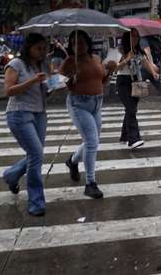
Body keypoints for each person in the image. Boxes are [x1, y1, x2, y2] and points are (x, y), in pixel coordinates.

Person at [60, 30, 115, 199]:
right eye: (74, 43)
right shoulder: (69, 62)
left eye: (81, 41)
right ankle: (90, 183)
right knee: (92, 141)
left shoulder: (96, 59)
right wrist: (70, 78)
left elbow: (102, 81)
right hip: (79, 104)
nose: (78, 45)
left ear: (88, 43)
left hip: (97, 103)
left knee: (93, 141)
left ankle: (72, 161)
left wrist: (111, 71)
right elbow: (56, 85)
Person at [2, 33, 50, 217]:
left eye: (44, 48)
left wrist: (54, 85)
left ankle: (11, 175)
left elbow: (43, 93)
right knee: (36, 153)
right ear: (29, 47)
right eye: (38, 48)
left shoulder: (43, 66)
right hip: (19, 113)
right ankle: (36, 201)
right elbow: (8, 90)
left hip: (40, 113)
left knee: (35, 153)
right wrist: (33, 81)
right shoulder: (16, 65)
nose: (42, 52)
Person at [115, 29, 147, 150]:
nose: (135, 38)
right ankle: (134, 139)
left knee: (131, 109)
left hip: (137, 82)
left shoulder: (138, 51)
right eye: (133, 36)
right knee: (131, 109)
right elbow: (115, 68)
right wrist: (127, 59)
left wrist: (153, 71)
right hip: (123, 81)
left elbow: (145, 63)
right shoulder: (120, 50)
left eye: (137, 36)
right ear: (127, 36)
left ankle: (124, 135)